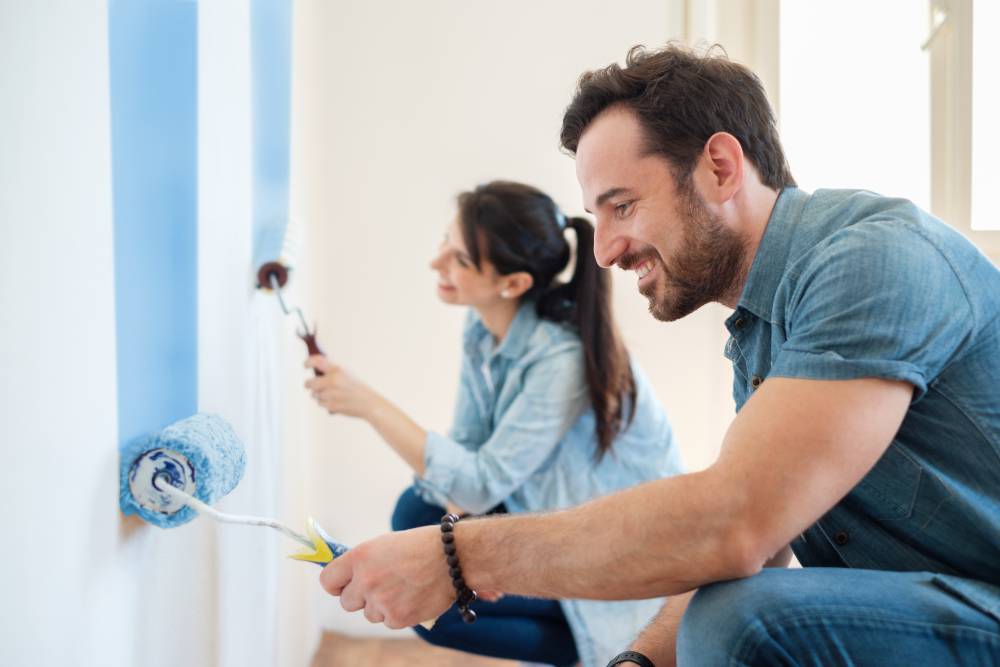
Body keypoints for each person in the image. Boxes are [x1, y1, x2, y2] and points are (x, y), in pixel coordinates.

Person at [316, 44, 1000, 667]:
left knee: (742, 621)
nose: (607, 250)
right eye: (596, 219)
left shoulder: (873, 261)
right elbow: (760, 542)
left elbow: (735, 523)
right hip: (933, 602)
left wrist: (458, 556)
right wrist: (636, 661)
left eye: (622, 207)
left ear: (720, 168)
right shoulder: (759, 333)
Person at [304, 180, 684, 667]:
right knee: (416, 516)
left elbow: (479, 486)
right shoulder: (483, 329)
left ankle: (598, 639)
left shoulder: (561, 361)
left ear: (513, 284)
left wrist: (368, 405)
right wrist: (468, 552)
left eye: (459, 259)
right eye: (447, 241)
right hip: (546, 512)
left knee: (430, 590)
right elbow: (466, 452)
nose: (437, 262)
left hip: (615, 557)